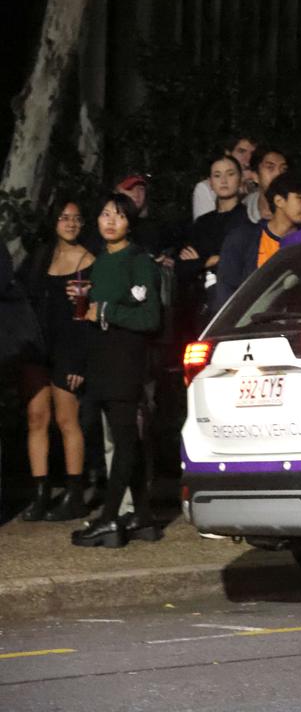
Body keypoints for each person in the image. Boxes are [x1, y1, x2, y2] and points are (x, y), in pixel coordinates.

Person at [72, 194, 162, 547]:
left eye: (119, 215)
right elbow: (91, 311)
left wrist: (106, 312)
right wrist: (82, 303)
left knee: (125, 440)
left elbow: (150, 317)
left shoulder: (138, 260)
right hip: (102, 358)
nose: (110, 220)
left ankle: (110, 518)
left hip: (125, 358)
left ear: (130, 223)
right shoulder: (98, 262)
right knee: (125, 439)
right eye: (105, 213)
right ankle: (142, 516)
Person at [17, 201, 94, 521]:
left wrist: (79, 362)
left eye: (76, 218)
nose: (71, 223)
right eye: (64, 218)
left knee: (66, 420)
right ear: (54, 222)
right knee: (36, 417)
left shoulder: (89, 261)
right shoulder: (40, 258)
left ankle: (74, 493)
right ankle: (41, 492)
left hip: (69, 349)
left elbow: (87, 317)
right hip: (37, 348)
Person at [215, 172, 301, 309]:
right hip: (251, 326)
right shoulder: (243, 238)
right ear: (279, 201)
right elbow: (226, 290)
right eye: (300, 198)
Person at [178, 154, 247, 325]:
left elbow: (240, 261)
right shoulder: (202, 223)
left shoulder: (247, 219)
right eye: (217, 175)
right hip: (201, 306)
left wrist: (200, 262)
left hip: (236, 304)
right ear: (210, 182)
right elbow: (182, 267)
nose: (224, 180)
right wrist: (211, 260)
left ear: (240, 179)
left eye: (230, 174)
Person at [191, 137, 258, 220]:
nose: (248, 159)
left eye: (252, 154)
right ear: (228, 153)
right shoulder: (206, 188)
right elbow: (204, 227)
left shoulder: (256, 185)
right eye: (241, 152)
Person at [239, 148, 289, 225]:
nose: (278, 174)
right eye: (270, 168)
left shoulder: (298, 209)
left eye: (283, 169)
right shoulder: (243, 209)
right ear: (255, 176)